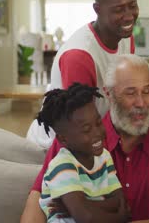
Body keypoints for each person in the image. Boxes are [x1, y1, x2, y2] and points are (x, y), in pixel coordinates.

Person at [21, 54, 149, 222]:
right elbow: (38, 200)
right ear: (109, 94)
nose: (141, 102)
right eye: (131, 93)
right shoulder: (72, 142)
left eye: (146, 91)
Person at [27, 0, 139, 149]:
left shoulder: (126, 38)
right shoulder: (79, 56)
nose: (129, 16)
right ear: (97, 10)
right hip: (56, 148)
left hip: (95, 137)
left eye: (132, 5)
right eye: (119, 9)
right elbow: (83, 129)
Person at [37, 83, 129, 222]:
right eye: (86, 130)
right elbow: (86, 218)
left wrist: (81, 206)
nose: (97, 132)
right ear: (63, 139)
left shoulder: (104, 157)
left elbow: (119, 201)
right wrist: (119, 217)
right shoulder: (62, 165)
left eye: (98, 123)